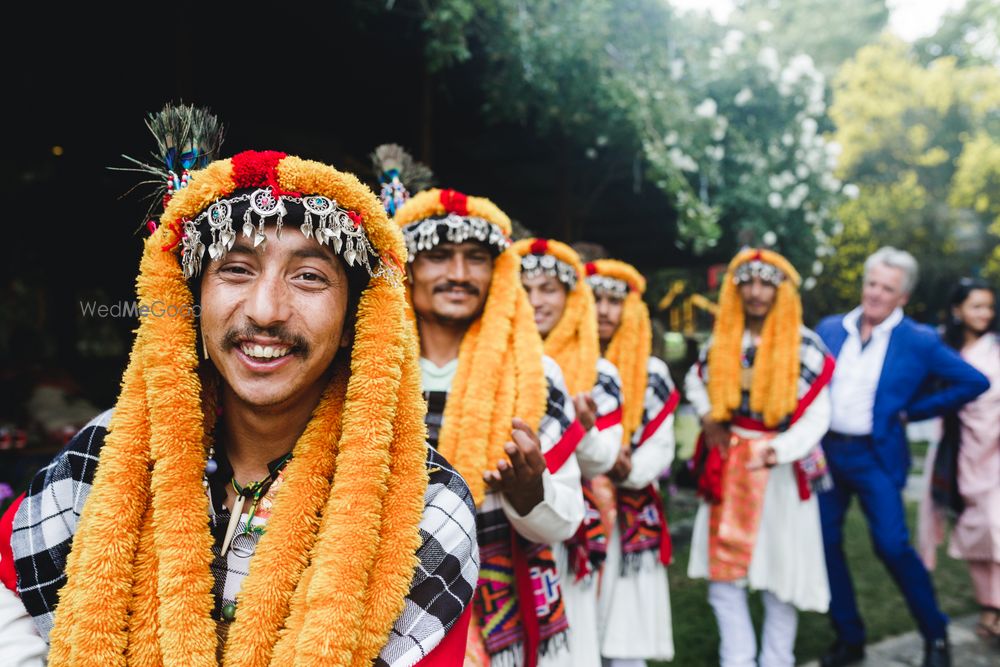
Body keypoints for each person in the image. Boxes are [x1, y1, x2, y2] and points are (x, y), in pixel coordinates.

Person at [0, 119, 478, 666]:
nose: (265, 310)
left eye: (310, 277)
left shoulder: (424, 507)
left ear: (355, 320)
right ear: (190, 300)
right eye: (236, 269)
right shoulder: (109, 452)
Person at [394, 188, 585, 667]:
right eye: (438, 256)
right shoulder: (362, 369)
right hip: (382, 605)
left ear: (496, 273)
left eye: (475, 258)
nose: (458, 275)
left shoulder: (536, 375)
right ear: (408, 266)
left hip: (500, 610)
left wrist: (529, 492)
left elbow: (567, 516)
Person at [816, 247, 990, 667]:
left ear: (903, 297)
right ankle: (849, 637)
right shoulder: (829, 328)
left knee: (893, 546)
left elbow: (973, 381)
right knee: (824, 545)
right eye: (871, 283)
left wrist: (913, 410)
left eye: (886, 288)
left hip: (876, 457)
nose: (874, 294)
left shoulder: (919, 340)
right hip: (826, 456)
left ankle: (936, 634)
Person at [685, 248, 834, 667]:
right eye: (747, 282)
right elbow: (695, 382)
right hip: (729, 465)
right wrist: (709, 418)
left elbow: (819, 415)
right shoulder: (722, 341)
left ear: (781, 290)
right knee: (725, 577)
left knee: (780, 575)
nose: (755, 292)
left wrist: (778, 450)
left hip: (779, 471)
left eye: (766, 283)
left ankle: (776, 659)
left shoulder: (806, 346)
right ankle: (738, 659)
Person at [514, 238, 625, 667]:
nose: (536, 301)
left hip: (576, 519)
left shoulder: (600, 369)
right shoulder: (495, 359)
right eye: (526, 288)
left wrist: (580, 426)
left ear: (570, 296)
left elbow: (605, 459)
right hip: (507, 522)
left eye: (549, 290)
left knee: (573, 636)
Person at [585, 259, 677, 666]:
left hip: (628, 511)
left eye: (614, 301)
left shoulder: (652, 371)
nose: (604, 310)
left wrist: (629, 468)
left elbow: (662, 447)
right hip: (577, 513)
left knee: (626, 637)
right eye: (595, 299)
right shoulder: (567, 366)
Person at [919, 278, 1000, 640]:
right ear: (958, 310)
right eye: (976, 306)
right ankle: (988, 606)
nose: (984, 313)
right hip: (959, 451)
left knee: (996, 529)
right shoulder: (944, 350)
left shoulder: (997, 351)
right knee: (972, 533)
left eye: (988, 307)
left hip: (995, 451)